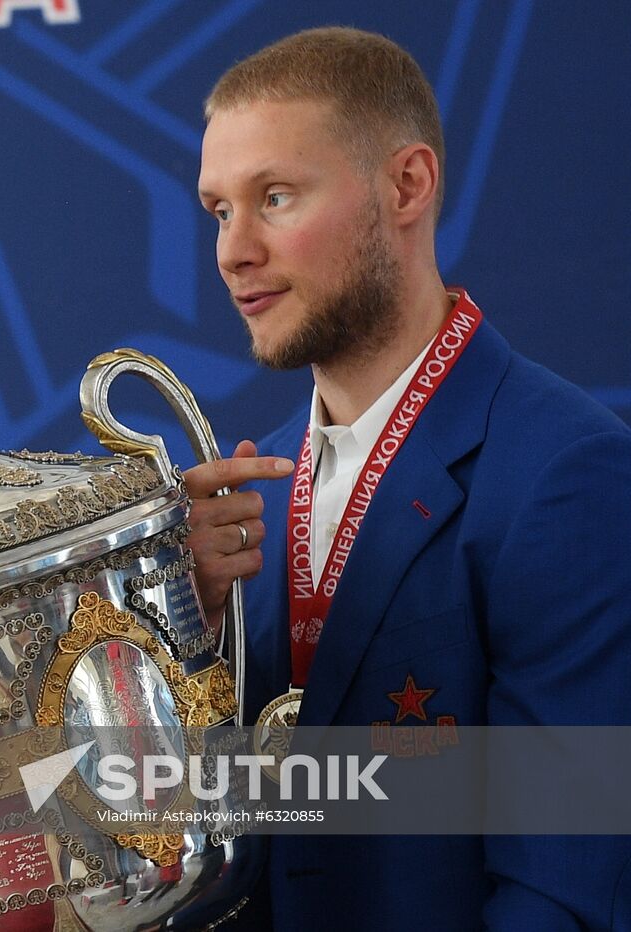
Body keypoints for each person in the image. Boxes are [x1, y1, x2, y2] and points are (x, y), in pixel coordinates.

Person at [181, 26, 631, 930]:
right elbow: (189, 841)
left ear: (407, 186)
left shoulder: (566, 470)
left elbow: (561, 888)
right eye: (220, 210)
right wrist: (180, 642)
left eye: (275, 197)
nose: (234, 251)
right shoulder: (250, 496)